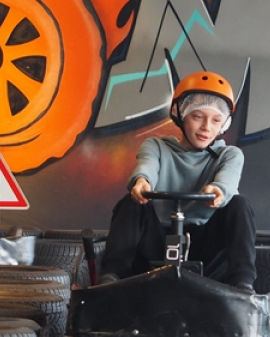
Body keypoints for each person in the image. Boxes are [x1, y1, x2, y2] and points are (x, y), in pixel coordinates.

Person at [97, 71, 257, 291]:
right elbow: (147, 165)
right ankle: (111, 278)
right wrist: (142, 181)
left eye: (215, 120)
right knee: (131, 203)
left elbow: (227, 180)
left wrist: (218, 189)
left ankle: (244, 284)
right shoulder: (156, 146)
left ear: (225, 124)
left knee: (239, 204)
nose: (206, 127)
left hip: (205, 251)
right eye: (197, 116)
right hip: (157, 246)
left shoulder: (229, 154)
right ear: (179, 114)